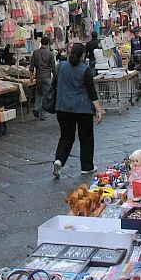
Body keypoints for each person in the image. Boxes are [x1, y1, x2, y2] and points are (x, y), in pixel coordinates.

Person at [52, 43, 104, 177]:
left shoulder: (61, 66)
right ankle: (87, 166)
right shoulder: (85, 69)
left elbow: (54, 84)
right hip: (82, 108)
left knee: (66, 136)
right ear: (83, 55)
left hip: (62, 107)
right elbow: (91, 92)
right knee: (86, 137)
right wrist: (99, 110)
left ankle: (59, 160)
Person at [30, 37, 56, 120]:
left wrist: (31, 76)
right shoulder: (50, 53)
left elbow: (31, 66)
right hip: (46, 76)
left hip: (38, 76)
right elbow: (53, 67)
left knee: (39, 93)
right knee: (46, 95)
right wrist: (55, 77)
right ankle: (43, 113)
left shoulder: (35, 52)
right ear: (48, 44)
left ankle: (36, 108)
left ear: (41, 43)